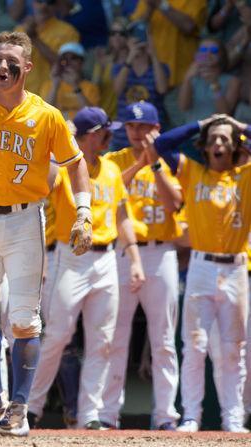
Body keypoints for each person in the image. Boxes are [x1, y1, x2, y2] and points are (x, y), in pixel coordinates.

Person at [0, 30, 92, 437]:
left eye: (11, 61)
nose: (2, 66)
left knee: (22, 319)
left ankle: (19, 410)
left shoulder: (47, 114)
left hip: (23, 220)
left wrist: (83, 212)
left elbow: (76, 162)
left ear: (28, 68)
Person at [28, 106, 145, 430]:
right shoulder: (67, 167)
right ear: (88, 135)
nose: (110, 137)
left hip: (107, 258)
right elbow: (45, 183)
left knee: (102, 340)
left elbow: (122, 215)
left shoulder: (109, 169)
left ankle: (89, 414)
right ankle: (31, 407)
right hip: (71, 256)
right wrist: (61, 143)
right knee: (57, 336)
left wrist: (134, 260)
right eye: (104, 132)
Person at [153, 114, 251, 433]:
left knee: (234, 348)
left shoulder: (245, 175)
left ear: (235, 145)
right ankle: (191, 415)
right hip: (201, 267)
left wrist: (238, 127)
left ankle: (232, 417)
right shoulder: (192, 171)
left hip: (236, 269)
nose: (219, 143)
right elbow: (161, 143)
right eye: (213, 140)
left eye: (225, 139)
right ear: (205, 147)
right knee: (194, 345)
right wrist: (204, 123)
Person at [101, 101, 182, 430]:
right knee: (115, 336)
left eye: (143, 127)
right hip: (122, 254)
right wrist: (140, 164)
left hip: (161, 253)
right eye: (132, 127)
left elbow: (175, 204)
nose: (136, 133)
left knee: (163, 338)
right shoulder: (114, 160)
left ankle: (165, 415)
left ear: (156, 129)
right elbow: (108, 192)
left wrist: (156, 166)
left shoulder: (172, 162)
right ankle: (108, 414)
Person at [111, 21, 169, 150]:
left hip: (151, 135)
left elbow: (162, 88)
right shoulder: (119, 68)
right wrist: (130, 57)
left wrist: (153, 55)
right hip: (123, 137)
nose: (138, 39)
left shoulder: (160, 67)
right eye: (133, 35)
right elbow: (117, 90)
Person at [130, 0, 207, 88]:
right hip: (150, 77)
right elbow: (135, 31)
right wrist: (149, 10)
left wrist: (161, 4)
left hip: (182, 78)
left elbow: (189, 26)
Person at [14, 0, 79, 95]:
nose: (44, 6)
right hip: (23, 95)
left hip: (54, 96)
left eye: (50, 2)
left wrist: (35, 39)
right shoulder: (19, 30)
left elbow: (66, 65)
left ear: (57, 6)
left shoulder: (68, 32)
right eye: (40, 1)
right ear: (33, 3)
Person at [178, 37, 240, 124]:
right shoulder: (193, 78)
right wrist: (187, 78)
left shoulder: (232, 81)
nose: (208, 53)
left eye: (214, 50)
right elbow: (183, 107)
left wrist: (214, 84)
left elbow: (224, 113)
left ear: (222, 55)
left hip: (215, 132)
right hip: (192, 132)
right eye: (203, 49)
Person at [41, 41, 100, 120]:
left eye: (73, 58)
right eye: (64, 59)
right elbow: (45, 114)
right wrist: (55, 85)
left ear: (82, 62)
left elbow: (92, 116)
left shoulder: (91, 87)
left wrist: (75, 86)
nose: (68, 62)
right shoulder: (48, 85)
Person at [91, 17, 130, 120]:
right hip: (106, 116)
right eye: (113, 33)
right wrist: (100, 69)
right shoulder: (103, 61)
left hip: (128, 117)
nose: (117, 36)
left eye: (122, 33)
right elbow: (94, 90)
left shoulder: (135, 61)